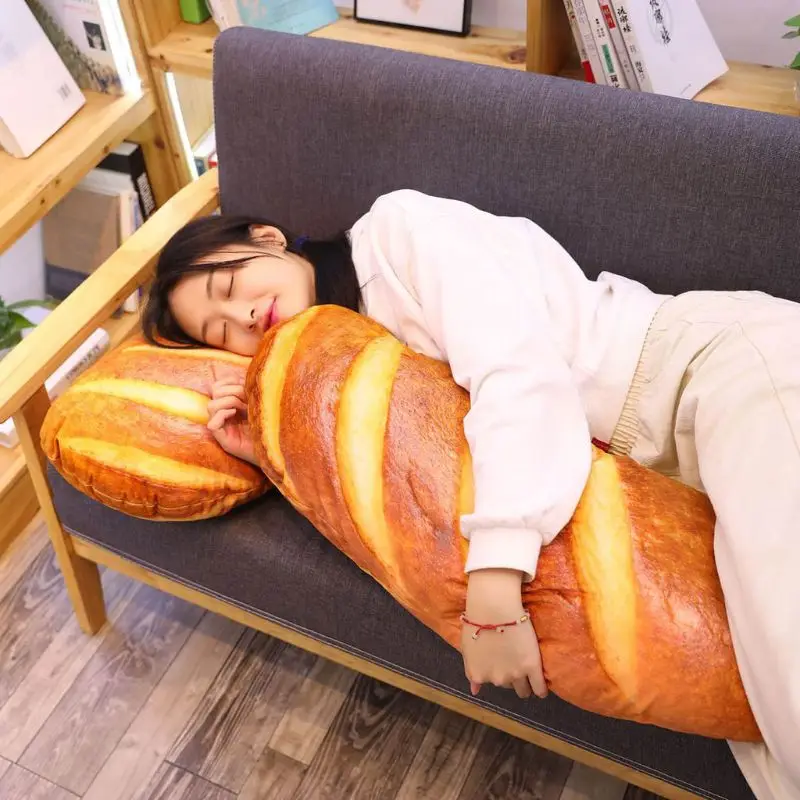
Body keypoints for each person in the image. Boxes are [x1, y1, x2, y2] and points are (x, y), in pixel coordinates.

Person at [143, 189, 800, 800]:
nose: (242, 316)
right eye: (221, 332)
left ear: (267, 238)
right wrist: (271, 444)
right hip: (663, 494)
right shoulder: (347, 366)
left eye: (228, 286)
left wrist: (494, 587)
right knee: (765, 739)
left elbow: (516, 373)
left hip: (709, 376)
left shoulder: (397, 234)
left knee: (787, 679)